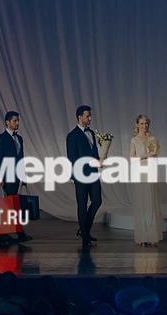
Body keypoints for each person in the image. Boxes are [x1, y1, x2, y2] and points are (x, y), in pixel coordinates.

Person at [0, 110, 33, 247]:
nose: (17, 123)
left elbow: (21, 159)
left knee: (13, 205)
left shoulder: (19, 138)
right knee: (10, 205)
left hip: (16, 176)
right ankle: (13, 234)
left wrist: (23, 176)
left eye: (18, 121)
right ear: (7, 122)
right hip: (7, 176)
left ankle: (8, 235)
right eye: (15, 121)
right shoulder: (0, 139)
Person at [66, 105, 102, 247]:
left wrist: (98, 161)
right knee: (82, 205)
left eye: (90, 116)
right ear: (80, 117)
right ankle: (85, 237)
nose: (90, 118)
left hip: (93, 173)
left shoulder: (91, 133)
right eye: (88, 116)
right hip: (80, 175)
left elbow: (94, 151)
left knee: (97, 201)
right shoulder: (72, 135)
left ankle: (84, 230)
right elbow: (72, 158)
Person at [128, 114, 163, 247]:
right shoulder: (134, 140)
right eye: (142, 123)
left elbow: (155, 156)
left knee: (151, 204)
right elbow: (131, 159)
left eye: (146, 123)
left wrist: (152, 157)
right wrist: (144, 156)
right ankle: (142, 236)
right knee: (141, 204)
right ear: (137, 125)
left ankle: (152, 235)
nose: (144, 126)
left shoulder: (152, 139)